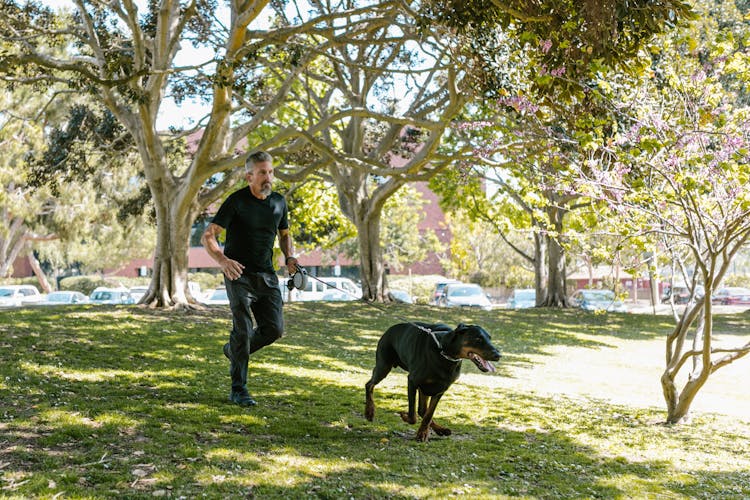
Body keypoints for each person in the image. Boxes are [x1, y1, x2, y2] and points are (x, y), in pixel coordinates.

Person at [201, 151, 298, 407]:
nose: (268, 177)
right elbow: (208, 235)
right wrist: (222, 261)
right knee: (242, 330)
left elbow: (284, 233)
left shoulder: (279, 202)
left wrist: (290, 257)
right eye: (263, 173)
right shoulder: (236, 202)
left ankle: (233, 351)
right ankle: (238, 389)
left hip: (266, 276)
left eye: (271, 172)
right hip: (238, 274)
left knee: (274, 329)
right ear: (249, 176)